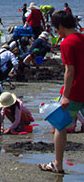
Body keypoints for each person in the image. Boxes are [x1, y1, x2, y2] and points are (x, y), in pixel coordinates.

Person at [38, 11, 84, 174]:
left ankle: (58, 163)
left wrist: (65, 95)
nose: (56, 31)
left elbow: (69, 71)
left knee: (60, 126)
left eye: (56, 28)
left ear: (61, 26)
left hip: (74, 93)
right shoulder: (82, 37)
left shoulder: (67, 43)